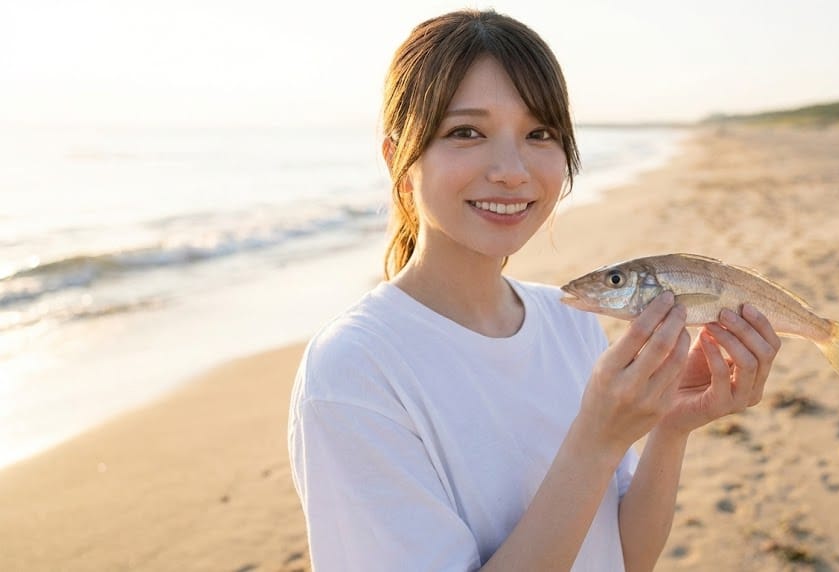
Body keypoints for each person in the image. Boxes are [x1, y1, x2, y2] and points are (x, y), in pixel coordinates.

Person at [288, 9, 780, 571]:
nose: (511, 169)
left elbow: (625, 557)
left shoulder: (568, 319)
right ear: (398, 158)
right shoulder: (356, 371)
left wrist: (669, 428)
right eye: (466, 132)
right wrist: (595, 440)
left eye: (539, 133)